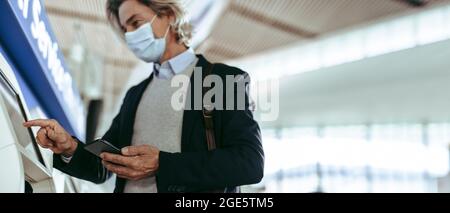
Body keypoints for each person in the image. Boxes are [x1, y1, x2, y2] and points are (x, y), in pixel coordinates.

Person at [24, 0, 264, 193]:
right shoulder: (135, 94)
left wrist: (163, 163)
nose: (129, 36)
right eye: (124, 29)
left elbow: (249, 162)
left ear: (169, 15)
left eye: (135, 23)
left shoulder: (218, 79)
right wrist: (69, 147)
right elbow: (102, 165)